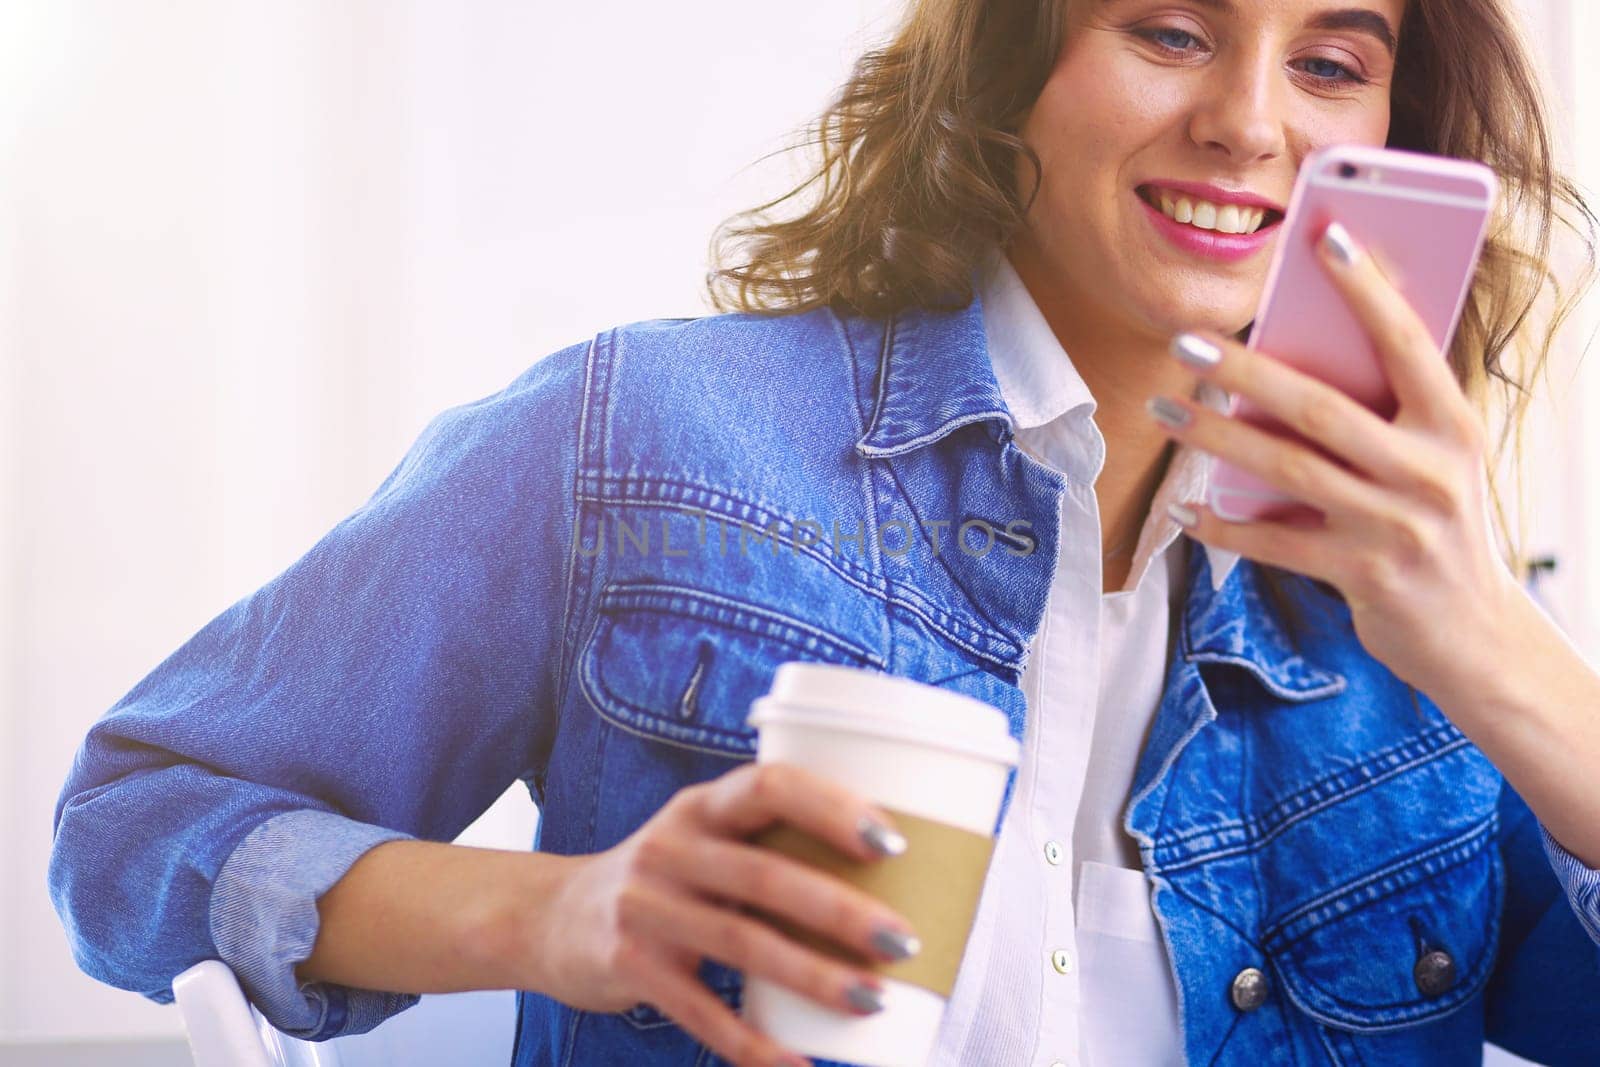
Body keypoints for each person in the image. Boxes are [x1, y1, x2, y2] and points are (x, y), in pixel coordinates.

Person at [47, 0, 1600, 1065]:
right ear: (1016, 64)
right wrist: (554, 915)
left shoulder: (1415, 610)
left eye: (1334, 62)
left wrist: (1505, 657)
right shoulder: (646, 437)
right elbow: (129, 831)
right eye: (1169, 28)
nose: (1249, 123)